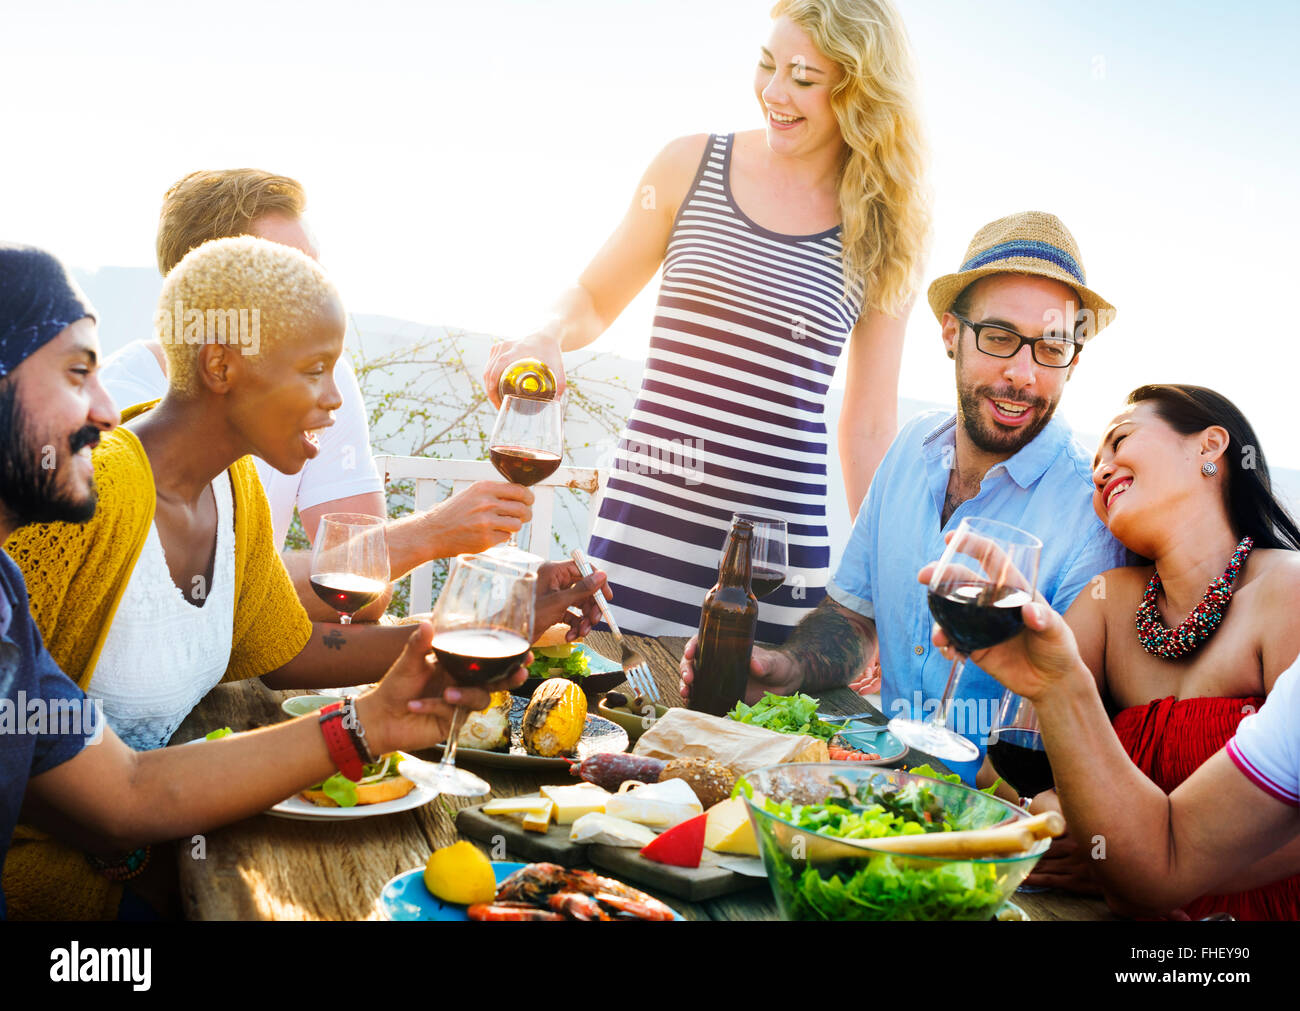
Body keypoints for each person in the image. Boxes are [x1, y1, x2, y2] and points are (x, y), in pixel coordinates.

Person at [1, 239, 604, 918]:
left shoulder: (233, 489)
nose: (332, 401)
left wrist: (491, 628)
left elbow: (288, 651)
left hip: (162, 842)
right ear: (221, 365)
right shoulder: (88, 495)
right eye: (316, 370)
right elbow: (63, 779)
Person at [484, 0, 930, 642]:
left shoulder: (884, 231)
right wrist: (546, 333)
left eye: (803, 78)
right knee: (613, 727)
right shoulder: (688, 166)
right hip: (643, 534)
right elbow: (592, 294)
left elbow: (866, 425)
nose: (774, 93)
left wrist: (878, 589)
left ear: (857, 89)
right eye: (767, 66)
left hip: (774, 570)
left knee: (753, 742)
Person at [681, 211, 1127, 783]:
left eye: (1052, 347)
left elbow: (1071, 727)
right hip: (868, 778)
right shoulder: (910, 449)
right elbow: (852, 616)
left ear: (1074, 361)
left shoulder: (1093, 515)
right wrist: (784, 667)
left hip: (983, 823)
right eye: (998, 338)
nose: (1023, 374)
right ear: (950, 333)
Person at [101, 168, 532, 621]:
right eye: (288, 276)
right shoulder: (121, 413)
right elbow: (184, 598)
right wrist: (427, 534)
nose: (316, 295)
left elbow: (362, 596)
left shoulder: (325, 383)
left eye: (316, 273)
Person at [1018, 384, 1300, 918]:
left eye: (1120, 441)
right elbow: (1010, 760)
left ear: (1211, 447)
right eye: (1096, 464)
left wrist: (1144, 873)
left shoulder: (1289, 589)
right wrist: (1053, 813)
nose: (1101, 471)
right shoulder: (1106, 601)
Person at [925, 590, 1299, 919]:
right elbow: (994, 773)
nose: (1096, 503)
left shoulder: (1286, 590)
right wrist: (1096, 839)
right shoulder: (1104, 597)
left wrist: (1116, 860)